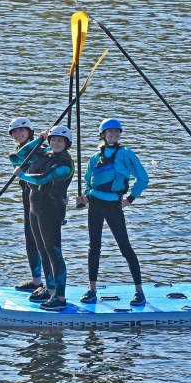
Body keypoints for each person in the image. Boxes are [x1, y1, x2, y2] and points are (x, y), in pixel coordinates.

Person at [76, 118, 150, 306]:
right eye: (110, 132)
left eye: (117, 132)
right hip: (95, 205)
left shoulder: (126, 154)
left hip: (114, 206)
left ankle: (139, 292)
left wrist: (131, 198)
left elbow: (143, 178)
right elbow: (87, 181)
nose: (114, 134)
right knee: (94, 248)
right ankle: (91, 289)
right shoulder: (94, 157)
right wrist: (84, 197)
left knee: (125, 247)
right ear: (103, 134)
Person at [15, 125, 75, 311]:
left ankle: (60, 296)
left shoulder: (64, 164)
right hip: (36, 208)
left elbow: (42, 179)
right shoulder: (46, 154)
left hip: (51, 211)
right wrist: (40, 139)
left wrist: (22, 175)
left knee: (54, 253)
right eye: (53, 140)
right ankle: (49, 290)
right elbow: (21, 153)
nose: (56, 143)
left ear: (67, 144)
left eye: (60, 141)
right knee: (42, 250)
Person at [7, 117, 44, 293]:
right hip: (28, 199)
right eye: (14, 132)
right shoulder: (17, 154)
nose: (18, 134)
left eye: (21, 131)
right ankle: (37, 281)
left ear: (29, 132)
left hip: (45, 200)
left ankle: (52, 287)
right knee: (31, 240)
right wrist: (40, 139)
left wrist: (43, 141)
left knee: (45, 242)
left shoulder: (43, 150)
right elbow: (19, 156)